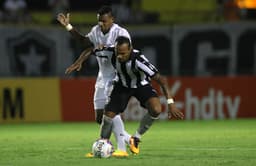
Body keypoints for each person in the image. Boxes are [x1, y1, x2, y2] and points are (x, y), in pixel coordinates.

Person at [57, 6, 133, 157]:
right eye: (99, 21)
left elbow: (127, 52)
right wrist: (68, 27)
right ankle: (129, 138)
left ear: (112, 20)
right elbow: (85, 43)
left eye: (104, 22)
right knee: (100, 118)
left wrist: (109, 47)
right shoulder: (96, 31)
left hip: (117, 76)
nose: (101, 25)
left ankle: (121, 149)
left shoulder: (121, 33)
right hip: (102, 77)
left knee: (111, 112)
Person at [98, 36, 184, 154]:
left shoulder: (139, 61)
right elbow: (90, 49)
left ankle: (136, 138)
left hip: (141, 86)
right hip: (121, 86)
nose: (119, 56)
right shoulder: (110, 51)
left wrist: (171, 103)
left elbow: (162, 80)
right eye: (118, 53)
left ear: (130, 49)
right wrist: (79, 61)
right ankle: (101, 145)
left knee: (156, 109)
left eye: (123, 53)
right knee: (107, 117)